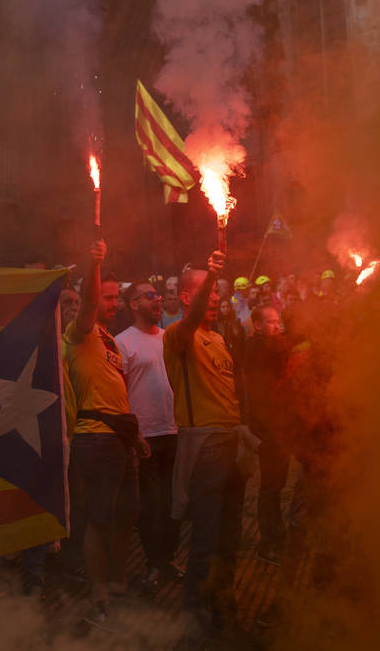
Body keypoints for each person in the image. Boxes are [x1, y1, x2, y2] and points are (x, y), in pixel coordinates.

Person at [163, 251, 253, 634]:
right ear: (186, 297)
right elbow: (191, 322)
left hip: (232, 444)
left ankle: (224, 605)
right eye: (206, 291)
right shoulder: (179, 336)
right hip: (205, 448)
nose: (215, 297)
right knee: (206, 539)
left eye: (217, 291)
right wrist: (213, 277)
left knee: (232, 537)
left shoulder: (218, 337)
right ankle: (196, 621)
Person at [63, 240, 149, 629]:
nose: (111, 303)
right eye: (107, 297)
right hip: (94, 437)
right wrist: (94, 265)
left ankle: (118, 582)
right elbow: (87, 304)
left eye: (116, 297)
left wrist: (136, 436)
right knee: (98, 519)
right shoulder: (78, 333)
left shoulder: (111, 340)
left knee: (126, 514)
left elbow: (116, 392)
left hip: (120, 438)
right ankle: (98, 593)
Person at [114, 281, 183, 593]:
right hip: (146, 436)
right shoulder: (123, 343)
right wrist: (133, 434)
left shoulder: (169, 338)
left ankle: (168, 560)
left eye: (158, 295)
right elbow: (118, 393)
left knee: (172, 503)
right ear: (132, 304)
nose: (157, 300)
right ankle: (154, 563)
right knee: (152, 506)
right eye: (149, 296)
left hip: (173, 430)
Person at [243, 305, 303, 566]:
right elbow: (282, 347)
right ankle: (269, 543)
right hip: (267, 429)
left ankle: (276, 537)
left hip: (279, 427)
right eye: (271, 322)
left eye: (278, 322)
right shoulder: (256, 347)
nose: (276, 326)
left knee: (277, 486)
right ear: (257, 325)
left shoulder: (272, 346)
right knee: (270, 488)